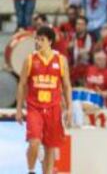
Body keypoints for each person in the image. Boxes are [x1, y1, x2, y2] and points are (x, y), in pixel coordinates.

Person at [15, 26, 72, 174]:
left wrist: (70, 108)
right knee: (34, 142)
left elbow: (66, 86)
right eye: (37, 39)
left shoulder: (61, 60)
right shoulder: (29, 60)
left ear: (50, 41)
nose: (38, 42)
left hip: (54, 108)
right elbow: (21, 85)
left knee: (50, 147)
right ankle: (31, 170)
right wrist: (19, 109)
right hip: (35, 107)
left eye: (42, 39)